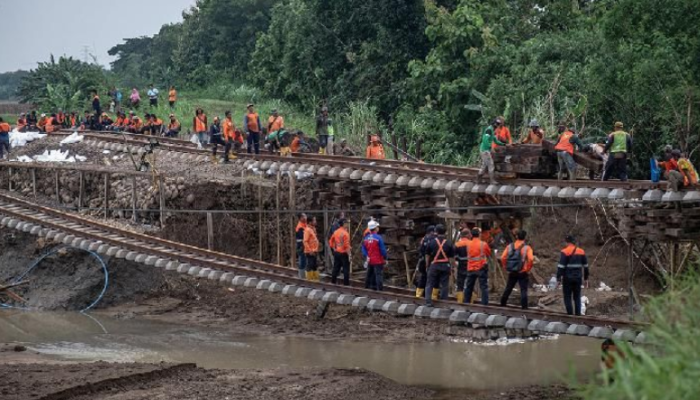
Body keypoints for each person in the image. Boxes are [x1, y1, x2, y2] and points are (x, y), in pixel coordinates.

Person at [499, 230, 534, 309]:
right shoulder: (527, 248)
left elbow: (502, 257)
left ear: (516, 236)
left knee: (508, 288)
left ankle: (502, 303)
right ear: (525, 237)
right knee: (523, 290)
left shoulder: (510, 246)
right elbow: (531, 259)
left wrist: (506, 267)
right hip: (522, 272)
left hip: (512, 271)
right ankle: (524, 307)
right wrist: (527, 269)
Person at [557, 235, 589, 315]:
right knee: (577, 297)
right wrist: (586, 278)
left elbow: (561, 266)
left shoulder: (564, 251)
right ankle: (578, 315)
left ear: (567, 242)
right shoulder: (581, 251)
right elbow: (586, 266)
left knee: (567, 296)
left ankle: (570, 315)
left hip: (567, 278)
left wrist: (558, 279)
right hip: (578, 278)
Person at [424, 224, 456, 306]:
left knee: (430, 283)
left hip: (434, 265)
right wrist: (452, 267)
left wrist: (427, 265)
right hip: (445, 265)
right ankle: (443, 302)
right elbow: (452, 257)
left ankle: (428, 301)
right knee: (444, 284)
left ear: (436, 232)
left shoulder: (431, 242)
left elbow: (427, 255)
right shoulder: (449, 243)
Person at [463, 228, 492, 305]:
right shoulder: (483, 244)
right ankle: (484, 304)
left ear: (471, 235)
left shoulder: (468, 244)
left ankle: (466, 303)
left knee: (469, 287)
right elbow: (489, 253)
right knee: (484, 287)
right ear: (479, 235)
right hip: (481, 268)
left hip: (471, 268)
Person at [477, 119, 506, 184]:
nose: (497, 126)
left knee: (484, 165)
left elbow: (495, 140)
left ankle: (479, 179)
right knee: (490, 164)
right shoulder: (489, 130)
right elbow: (485, 140)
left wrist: (503, 144)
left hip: (486, 150)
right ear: (493, 123)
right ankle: (492, 180)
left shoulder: (492, 131)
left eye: (498, 124)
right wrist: (490, 148)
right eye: (497, 124)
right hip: (485, 150)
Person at [362, 220, 387, 291]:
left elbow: (363, 249)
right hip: (378, 260)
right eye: (377, 227)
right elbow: (383, 250)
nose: (378, 228)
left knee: (369, 274)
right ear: (375, 228)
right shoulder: (378, 238)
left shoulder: (366, 238)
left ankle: (368, 287)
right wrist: (385, 257)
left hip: (370, 260)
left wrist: (367, 256)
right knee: (378, 275)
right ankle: (380, 289)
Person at [414, 226, 436, 299]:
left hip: (423, 261)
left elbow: (421, 250)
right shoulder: (431, 239)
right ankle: (429, 295)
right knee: (429, 278)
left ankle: (419, 294)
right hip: (428, 261)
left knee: (423, 277)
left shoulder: (423, 239)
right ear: (431, 232)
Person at [329, 218, 351, 285]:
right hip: (344, 253)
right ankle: (346, 284)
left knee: (336, 267)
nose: (347, 224)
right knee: (346, 269)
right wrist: (349, 255)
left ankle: (333, 281)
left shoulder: (336, 232)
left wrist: (333, 248)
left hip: (337, 252)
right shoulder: (345, 233)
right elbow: (346, 245)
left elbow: (330, 241)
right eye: (346, 223)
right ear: (344, 224)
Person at [454, 228, 472, 303]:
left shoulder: (457, 244)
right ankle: (470, 301)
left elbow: (455, 257)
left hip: (461, 266)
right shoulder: (472, 243)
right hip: (471, 266)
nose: (471, 235)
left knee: (460, 284)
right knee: (470, 283)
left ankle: (460, 301)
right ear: (467, 235)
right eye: (470, 234)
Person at [303, 216, 320, 282]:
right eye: (314, 220)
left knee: (314, 265)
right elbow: (305, 241)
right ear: (310, 222)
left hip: (314, 250)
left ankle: (315, 279)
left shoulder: (313, 229)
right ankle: (309, 280)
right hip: (310, 251)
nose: (315, 222)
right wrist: (310, 250)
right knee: (310, 265)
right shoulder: (307, 230)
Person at [295, 214, 308, 279]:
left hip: (305, 246)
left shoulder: (305, 225)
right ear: (300, 218)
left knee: (304, 261)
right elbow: (301, 238)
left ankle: (303, 276)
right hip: (302, 246)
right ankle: (301, 277)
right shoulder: (300, 227)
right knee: (302, 261)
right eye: (303, 216)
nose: (305, 217)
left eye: (305, 216)